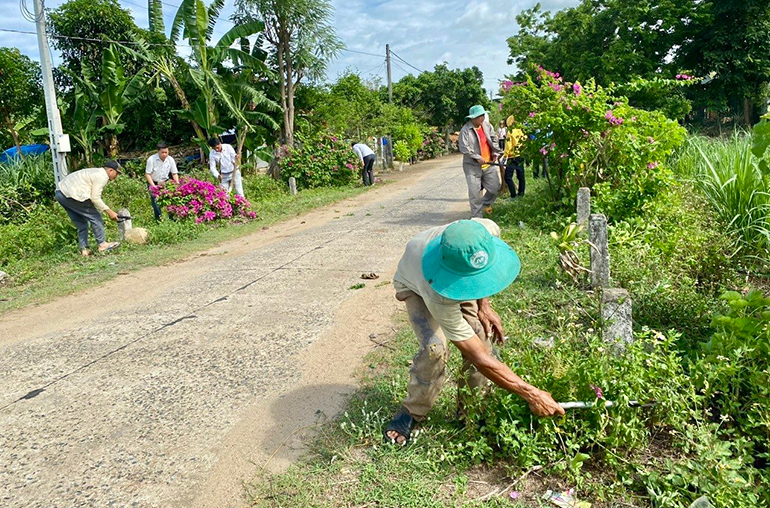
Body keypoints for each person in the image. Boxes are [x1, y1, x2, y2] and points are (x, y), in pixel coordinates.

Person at [383, 219, 565, 445]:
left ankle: (471, 411)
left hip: (457, 270)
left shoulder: (485, 230)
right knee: (435, 349)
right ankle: (412, 411)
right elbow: (478, 357)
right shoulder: (437, 292)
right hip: (418, 286)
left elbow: (481, 269)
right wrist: (531, 393)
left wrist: (484, 306)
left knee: (481, 334)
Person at [55, 160, 122, 256]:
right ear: (111, 170)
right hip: (70, 194)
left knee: (81, 223)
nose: (116, 176)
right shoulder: (102, 176)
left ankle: (84, 249)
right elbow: (95, 198)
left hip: (60, 193)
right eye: (117, 173)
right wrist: (110, 212)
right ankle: (102, 244)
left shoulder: (95, 172)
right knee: (96, 217)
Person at [458, 105, 501, 218]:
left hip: (488, 164)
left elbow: (494, 140)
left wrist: (495, 152)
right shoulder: (465, 130)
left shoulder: (487, 126)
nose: (482, 118)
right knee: (475, 194)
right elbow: (464, 147)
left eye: (483, 115)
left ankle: (485, 203)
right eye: (479, 116)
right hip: (472, 167)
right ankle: (477, 218)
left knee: (495, 187)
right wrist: (477, 157)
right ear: (472, 118)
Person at [145, 142, 179, 220]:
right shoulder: (151, 159)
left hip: (166, 182)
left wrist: (177, 183)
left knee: (171, 201)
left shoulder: (170, 159)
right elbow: (147, 174)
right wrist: (153, 186)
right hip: (154, 182)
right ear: (158, 151)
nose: (164, 154)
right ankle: (158, 220)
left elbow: (174, 173)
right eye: (162, 152)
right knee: (156, 203)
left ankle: (172, 219)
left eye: (166, 152)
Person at [503, 115, 527, 198]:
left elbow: (508, 145)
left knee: (507, 177)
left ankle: (513, 195)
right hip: (521, 155)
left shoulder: (510, 131)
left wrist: (505, 156)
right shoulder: (521, 130)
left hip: (512, 157)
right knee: (521, 176)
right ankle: (521, 193)